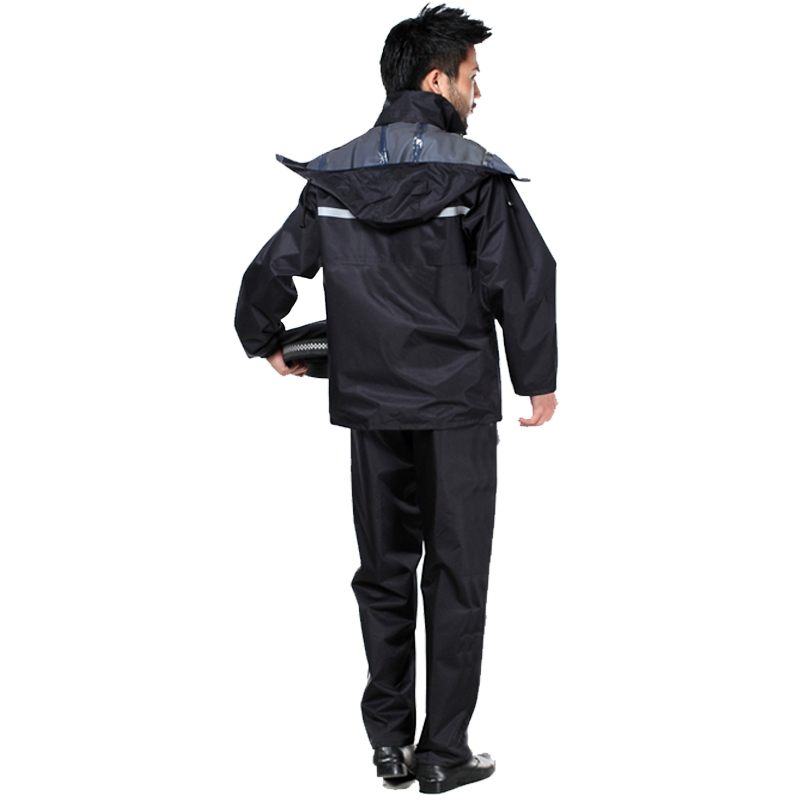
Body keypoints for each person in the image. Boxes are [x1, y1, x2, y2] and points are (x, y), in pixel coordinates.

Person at [234, 4, 557, 793]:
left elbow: (271, 270)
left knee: (383, 573)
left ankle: (388, 745)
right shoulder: (474, 174)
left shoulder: (337, 176)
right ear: (436, 79)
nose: (479, 92)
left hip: (371, 404)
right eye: (473, 76)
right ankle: (443, 752)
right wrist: (537, 378)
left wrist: (264, 337)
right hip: (456, 409)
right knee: (456, 576)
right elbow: (523, 275)